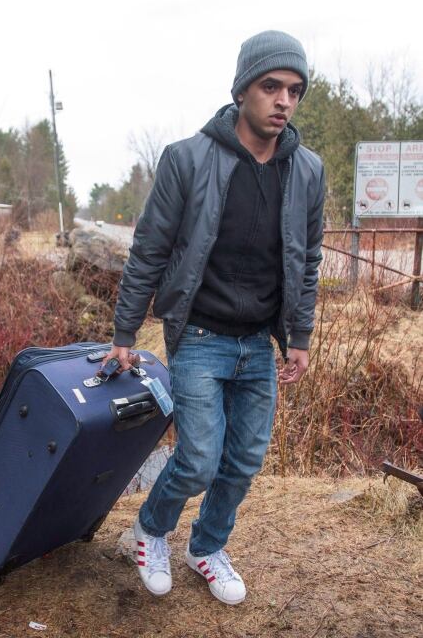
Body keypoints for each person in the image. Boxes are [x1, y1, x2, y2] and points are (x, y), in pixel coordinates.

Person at [106, 30, 325, 605]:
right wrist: (125, 332)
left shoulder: (307, 170)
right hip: (199, 335)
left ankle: (206, 546)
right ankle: (152, 529)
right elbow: (150, 248)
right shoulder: (188, 158)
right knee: (199, 457)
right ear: (242, 89)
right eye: (271, 86)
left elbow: (307, 259)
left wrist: (299, 334)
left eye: (295, 90)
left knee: (244, 460)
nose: (284, 101)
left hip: (258, 341)